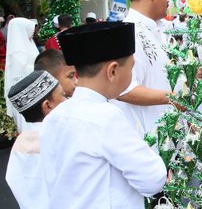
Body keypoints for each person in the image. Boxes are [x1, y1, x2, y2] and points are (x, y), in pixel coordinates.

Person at [40, 22, 167, 208]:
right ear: (113, 71)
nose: (132, 74)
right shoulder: (106, 117)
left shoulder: (55, 116)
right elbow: (153, 179)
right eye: (131, 68)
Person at [110, 0, 177, 134]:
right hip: (145, 135)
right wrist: (174, 98)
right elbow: (123, 90)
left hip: (166, 132)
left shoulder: (161, 28)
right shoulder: (128, 33)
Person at [5, 70, 66, 209]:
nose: (67, 101)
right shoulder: (60, 138)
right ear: (47, 106)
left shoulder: (20, 143)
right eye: (63, 96)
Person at [4, 18, 40, 133]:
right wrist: (39, 68)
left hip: (33, 85)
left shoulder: (29, 42)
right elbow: (20, 70)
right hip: (22, 91)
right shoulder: (17, 49)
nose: (34, 31)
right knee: (25, 124)